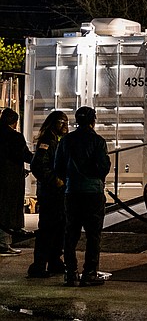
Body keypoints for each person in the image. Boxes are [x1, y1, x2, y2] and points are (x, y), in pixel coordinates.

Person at [55, 106, 111, 287]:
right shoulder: (98, 141)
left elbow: (58, 167)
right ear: (93, 120)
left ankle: (70, 273)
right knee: (93, 235)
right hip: (93, 192)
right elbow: (103, 167)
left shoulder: (66, 141)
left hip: (72, 192)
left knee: (71, 233)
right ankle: (90, 272)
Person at [27, 111, 69, 277]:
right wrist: (54, 180)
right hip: (51, 193)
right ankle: (39, 265)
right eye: (61, 122)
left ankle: (54, 261)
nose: (65, 126)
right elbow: (38, 165)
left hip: (60, 193)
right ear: (53, 124)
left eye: (66, 122)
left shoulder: (60, 140)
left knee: (60, 228)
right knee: (47, 229)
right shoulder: (47, 141)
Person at [0, 108, 33, 257]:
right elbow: (24, 155)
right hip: (11, 178)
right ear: (14, 122)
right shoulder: (15, 137)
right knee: (8, 210)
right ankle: (4, 244)